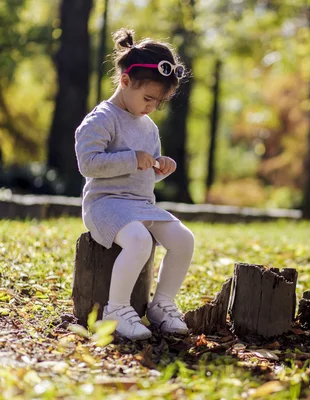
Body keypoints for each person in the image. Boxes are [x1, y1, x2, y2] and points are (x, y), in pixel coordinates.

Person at [75, 28, 194, 341]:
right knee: (140, 240)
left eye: (160, 101)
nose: (152, 106)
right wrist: (132, 158)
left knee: (184, 239)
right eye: (148, 98)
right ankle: (116, 309)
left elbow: (144, 168)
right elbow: (88, 165)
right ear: (125, 81)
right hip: (105, 204)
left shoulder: (148, 125)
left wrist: (160, 168)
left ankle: (162, 304)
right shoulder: (102, 118)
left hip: (140, 204)